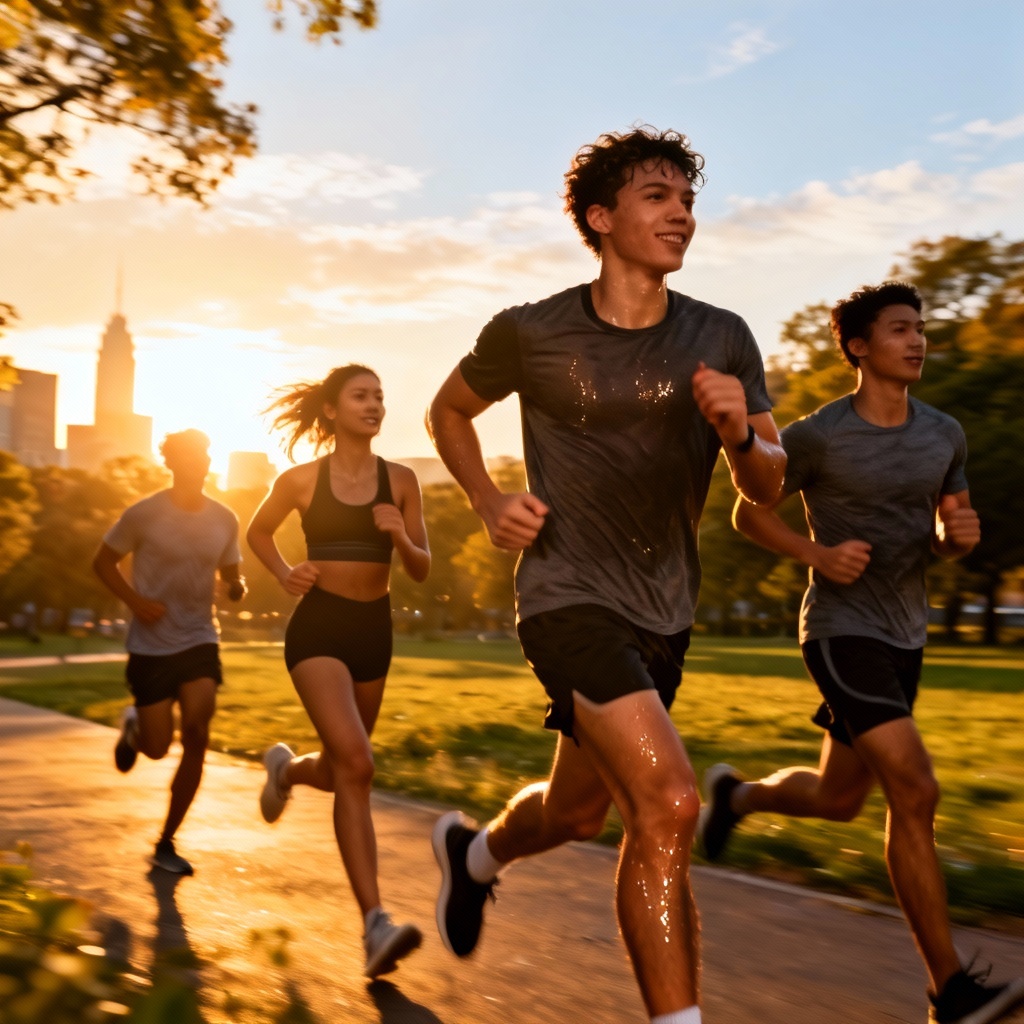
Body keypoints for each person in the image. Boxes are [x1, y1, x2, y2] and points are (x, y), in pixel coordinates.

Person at [425, 126, 785, 1024]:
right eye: (659, 197)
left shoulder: (722, 335)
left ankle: (473, 858)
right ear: (601, 216)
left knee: (578, 813)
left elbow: (769, 484)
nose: (682, 216)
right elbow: (448, 410)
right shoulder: (530, 332)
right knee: (666, 803)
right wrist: (482, 500)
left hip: (663, 611)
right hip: (566, 597)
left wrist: (742, 430)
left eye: (689, 201)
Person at [702, 281, 1024, 1024]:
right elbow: (749, 513)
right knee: (914, 789)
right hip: (843, 633)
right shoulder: (819, 436)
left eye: (921, 329)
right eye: (900, 329)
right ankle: (953, 990)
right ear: (857, 345)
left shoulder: (945, 433)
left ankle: (739, 795)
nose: (917, 341)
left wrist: (956, 537)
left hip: (906, 634)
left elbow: (948, 521)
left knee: (839, 799)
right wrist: (816, 553)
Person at [247, 364, 430, 980]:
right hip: (319, 628)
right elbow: (258, 530)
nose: (375, 404)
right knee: (358, 764)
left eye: (380, 396)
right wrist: (282, 573)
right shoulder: (300, 480)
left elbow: (422, 567)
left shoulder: (402, 480)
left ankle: (289, 769)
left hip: (374, 632)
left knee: (339, 767)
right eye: (361, 396)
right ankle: (375, 923)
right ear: (331, 410)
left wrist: (401, 536)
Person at [93, 428, 246, 876]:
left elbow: (235, 578)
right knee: (158, 750)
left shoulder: (224, 517)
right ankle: (135, 728)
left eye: (203, 453)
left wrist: (235, 588)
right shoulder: (143, 514)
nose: (198, 461)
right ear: (172, 462)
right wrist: (136, 602)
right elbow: (101, 562)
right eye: (188, 455)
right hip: (151, 645)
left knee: (197, 733)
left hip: (200, 637)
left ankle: (166, 841)